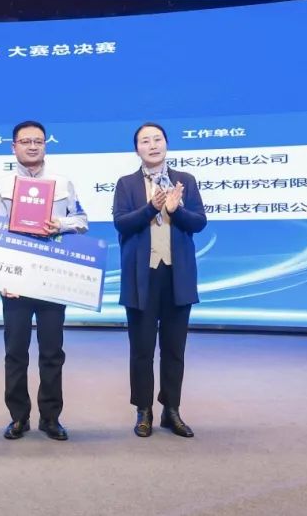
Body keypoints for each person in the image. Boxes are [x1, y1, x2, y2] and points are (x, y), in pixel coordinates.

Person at [0, 120, 87, 441]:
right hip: (16, 279)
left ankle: (51, 418)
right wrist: (0, 278)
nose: (32, 146)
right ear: (13, 146)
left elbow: (82, 221)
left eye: (38, 141)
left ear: (45, 145)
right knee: (15, 352)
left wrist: (61, 224)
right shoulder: (0, 185)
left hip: (52, 277)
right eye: (25, 141)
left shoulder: (63, 183)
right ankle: (18, 417)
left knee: (52, 352)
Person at [112, 122, 207, 438]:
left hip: (177, 276)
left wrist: (175, 210)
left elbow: (199, 223)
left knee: (174, 348)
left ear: (166, 144)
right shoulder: (126, 184)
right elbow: (121, 224)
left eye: (157, 139)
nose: (152, 145)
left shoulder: (185, 181)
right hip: (141, 277)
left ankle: (171, 410)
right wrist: (150, 208)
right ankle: (144, 410)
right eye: (145, 141)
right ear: (136, 148)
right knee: (141, 349)